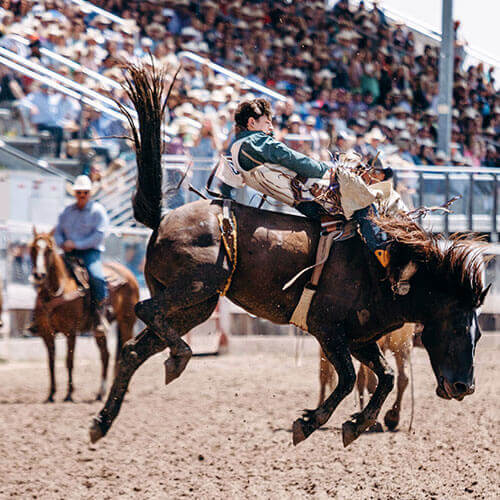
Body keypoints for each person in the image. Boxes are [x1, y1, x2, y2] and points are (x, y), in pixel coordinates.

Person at [217, 98, 392, 268]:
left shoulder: (235, 148)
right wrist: (327, 170)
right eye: (267, 122)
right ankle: (383, 253)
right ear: (251, 123)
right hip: (313, 193)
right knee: (364, 203)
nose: (270, 127)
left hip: (302, 204)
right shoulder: (256, 141)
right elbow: (291, 158)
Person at [53, 175, 109, 333]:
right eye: (79, 192)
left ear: (90, 193)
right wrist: (62, 243)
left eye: (85, 192)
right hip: (68, 251)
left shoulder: (98, 211)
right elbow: (57, 232)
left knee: (96, 276)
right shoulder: (66, 211)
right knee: (48, 272)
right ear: (75, 194)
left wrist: (75, 244)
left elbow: (99, 236)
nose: (82, 195)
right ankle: (41, 314)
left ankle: (99, 314)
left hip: (90, 252)